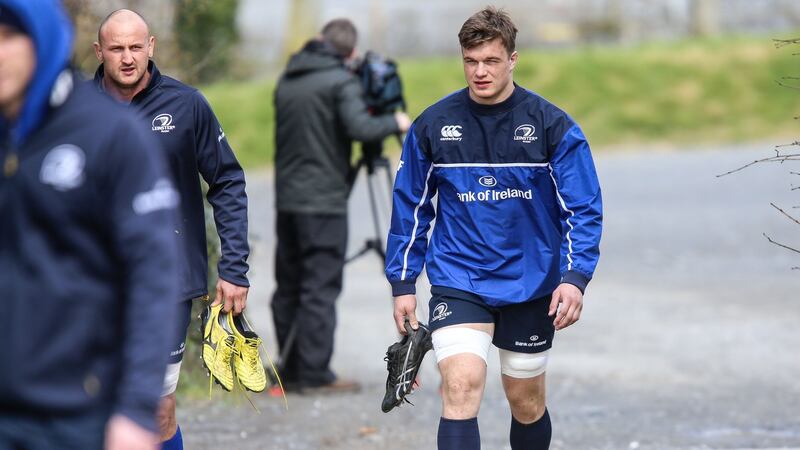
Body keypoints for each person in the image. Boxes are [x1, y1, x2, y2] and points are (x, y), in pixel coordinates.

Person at [385, 7, 603, 450]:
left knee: (525, 401)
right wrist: (403, 282)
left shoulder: (552, 126)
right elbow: (411, 207)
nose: (480, 72)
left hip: (531, 282)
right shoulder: (432, 125)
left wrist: (575, 278)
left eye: (491, 61)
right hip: (459, 279)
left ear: (512, 59)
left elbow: (583, 208)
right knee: (461, 387)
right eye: (471, 61)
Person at [0, 0, 181, 449]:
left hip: (79, 414)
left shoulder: (110, 134)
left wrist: (136, 410)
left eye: (7, 38)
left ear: (43, 39)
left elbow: (153, 275)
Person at [91, 9, 251, 449]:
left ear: (152, 47)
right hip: (90, 284)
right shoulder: (76, 109)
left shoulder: (187, 104)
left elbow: (228, 182)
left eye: (136, 47)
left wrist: (234, 268)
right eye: (117, 48)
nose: (127, 58)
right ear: (99, 51)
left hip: (166, 283)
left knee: (157, 408)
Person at [272, 18, 411, 393]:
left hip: (288, 200)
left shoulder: (288, 79)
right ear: (350, 53)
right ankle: (315, 376)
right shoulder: (340, 82)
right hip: (323, 203)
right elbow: (359, 128)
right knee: (319, 286)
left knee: (290, 284)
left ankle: (290, 367)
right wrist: (394, 119)